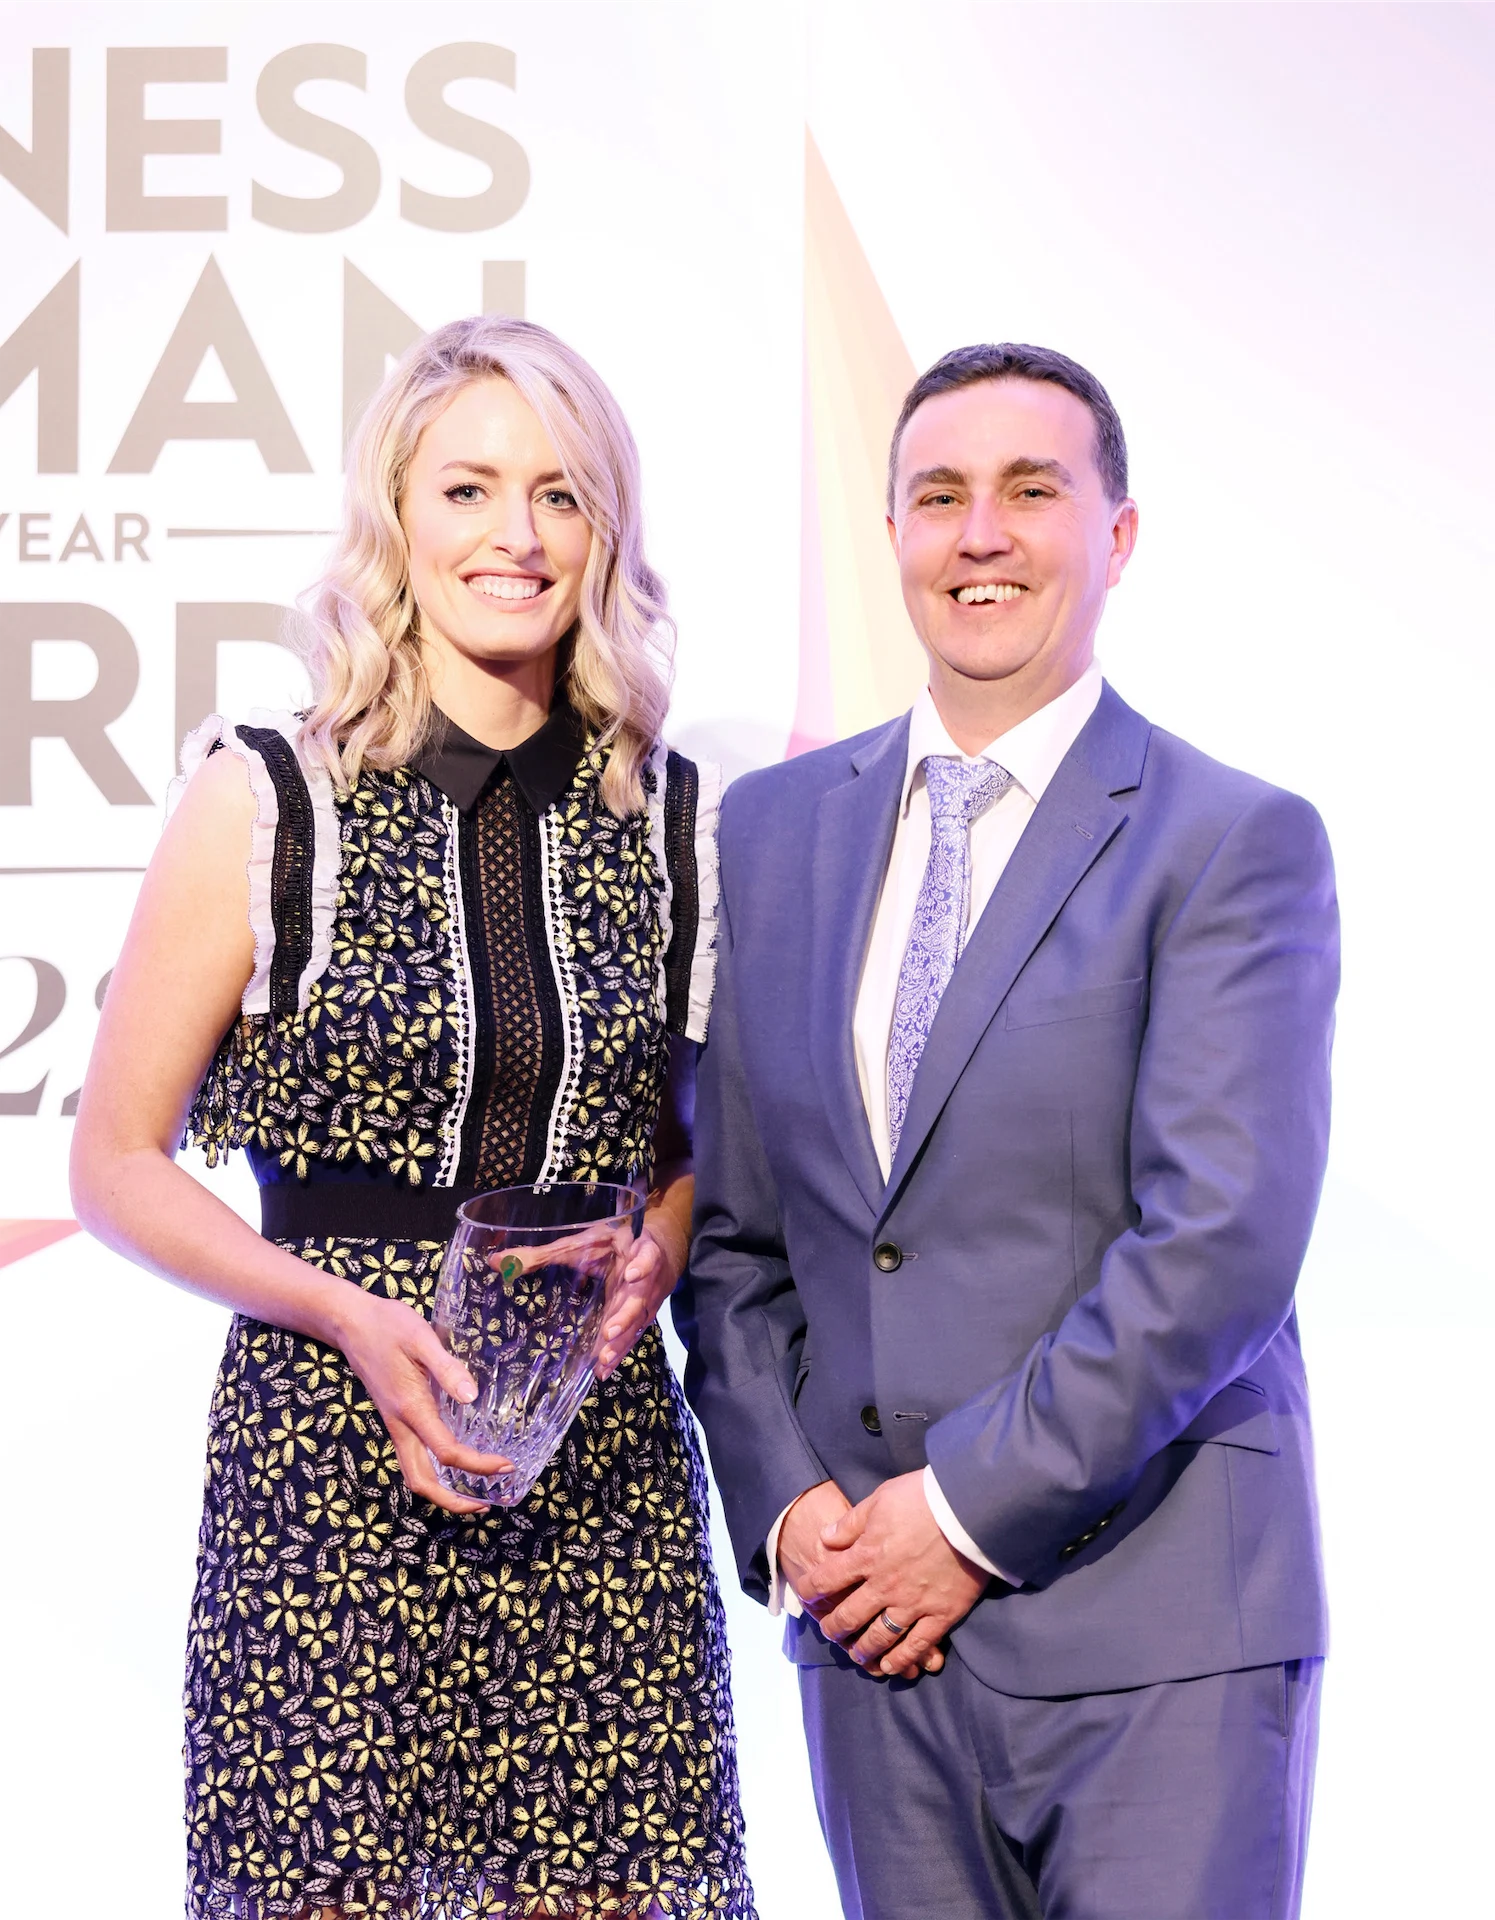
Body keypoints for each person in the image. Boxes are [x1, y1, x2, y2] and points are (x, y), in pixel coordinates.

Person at [71, 316, 754, 1920]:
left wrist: (654, 1255)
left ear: (606, 530)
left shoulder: (672, 816)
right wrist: (349, 1318)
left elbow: (676, 1153)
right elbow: (111, 1164)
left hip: (591, 1463)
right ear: (395, 515)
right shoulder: (266, 796)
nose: (516, 536)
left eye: (560, 495)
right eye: (468, 489)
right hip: (326, 1464)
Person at [679, 343, 1336, 1920]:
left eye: (1029, 491)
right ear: (892, 535)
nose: (979, 534)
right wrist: (792, 1508)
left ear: (1116, 535)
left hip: (1158, 1638)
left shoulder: (1229, 840)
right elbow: (738, 1242)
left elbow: (1215, 1247)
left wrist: (960, 1514)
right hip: (870, 1644)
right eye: (938, 496)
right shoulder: (768, 832)